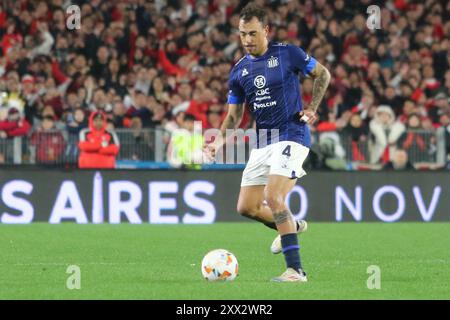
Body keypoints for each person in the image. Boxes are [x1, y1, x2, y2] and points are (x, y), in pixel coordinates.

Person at [205, 3, 331, 282]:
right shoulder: (238, 72)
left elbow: (323, 74)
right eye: (242, 34)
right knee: (246, 207)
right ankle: (291, 226)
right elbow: (234, 115)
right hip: (263, 141)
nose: (247, 40)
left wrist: (312, 107)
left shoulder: (288, 53)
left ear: (266, 31)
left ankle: (295, 270)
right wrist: (216, 142)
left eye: (252, 33)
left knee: (274, 197)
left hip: (292, 133)